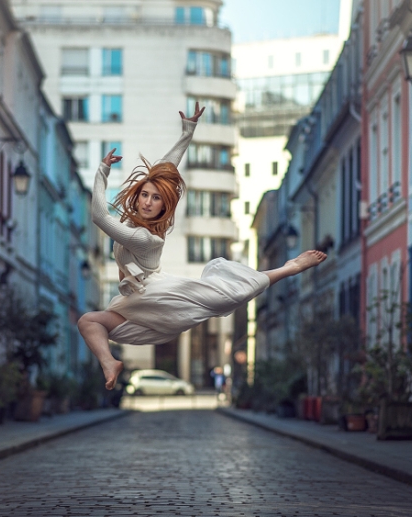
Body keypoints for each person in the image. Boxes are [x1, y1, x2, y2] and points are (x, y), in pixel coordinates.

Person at [78, 103, 327, 390]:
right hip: (135, 303)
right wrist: (187, 133)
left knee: (225, 296)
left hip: (158, 297)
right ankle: (110, 363)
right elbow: (167, 170)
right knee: (88, 322)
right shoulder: (132, 225)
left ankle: (289, 267)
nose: (147, 201)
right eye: (144, 194)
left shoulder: (145, 239)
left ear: (165, 206)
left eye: (156, 198)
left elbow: (99, 215)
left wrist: (102, 172)